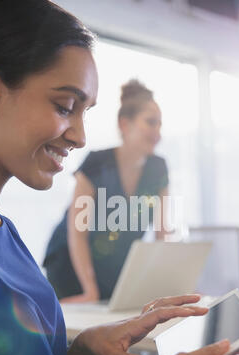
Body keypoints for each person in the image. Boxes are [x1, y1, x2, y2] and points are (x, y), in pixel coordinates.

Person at [0, 0, 239, 355]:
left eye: (85, 113)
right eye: (65, 105)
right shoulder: (94, 170)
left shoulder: (5, 235)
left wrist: (83, 354)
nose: (79, 135)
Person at [43, 80, 169, 304]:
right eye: (151, 122)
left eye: (160, 124)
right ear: (124, 124)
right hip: (72, 269)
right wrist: (90, 290)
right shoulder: (96, 163)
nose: (157, 132)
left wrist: (165, 284)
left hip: (114, 270)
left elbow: (162, 234)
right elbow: (78, 234)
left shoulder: (158, 168)